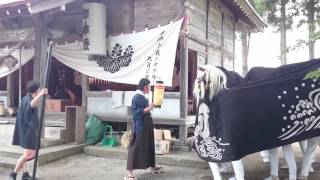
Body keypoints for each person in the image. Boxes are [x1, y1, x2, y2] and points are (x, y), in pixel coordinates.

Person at [9, 80, 48, 180]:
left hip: (24, 130)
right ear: (36, 90)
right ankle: (13, 173)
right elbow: (31, 104)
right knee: (30, 154)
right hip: (27, 131)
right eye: (39, 88)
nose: (40, 89)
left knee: (26, 154)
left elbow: (33, 104)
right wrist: (40, 95)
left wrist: (39, 96)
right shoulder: (29, 100)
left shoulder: (25, 97)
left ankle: (25, 174)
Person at [125, 78, 162, 180]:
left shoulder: (144, 97)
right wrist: (149, 107)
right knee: (135, 147)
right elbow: (136, 113)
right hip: (140, 125)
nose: (150, 89)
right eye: (149, 87)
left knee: (150, 145)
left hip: (147, 124)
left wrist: (154, 105)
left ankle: (153, 166)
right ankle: (129, 173)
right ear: (145, 87)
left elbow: (148, 109)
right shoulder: (137, 97)